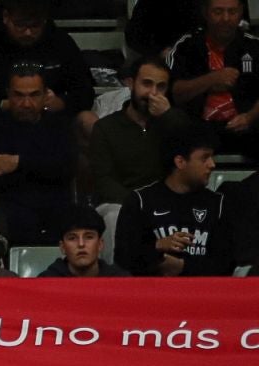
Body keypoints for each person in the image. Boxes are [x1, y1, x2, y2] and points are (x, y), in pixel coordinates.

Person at [0, 0, 95, 137]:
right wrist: (4, 104)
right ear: (6, 17)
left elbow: (85, 91)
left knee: (88, 120)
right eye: (20, 25)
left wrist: (61, 102)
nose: (28, 32)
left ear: (44, 20)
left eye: (35, 26)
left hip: (50, 120)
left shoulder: (61, 42)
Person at [116, 125, 241, 276]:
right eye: (204, 158)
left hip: (203, 294)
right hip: (153, 293)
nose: (212, 164)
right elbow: (123, 259)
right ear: (180, 162)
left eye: (212, 157)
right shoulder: (141, 201)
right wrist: (156, 247)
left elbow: (227, 263)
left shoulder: (218, 204)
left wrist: (183, 266)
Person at [0, 68, 77, 245]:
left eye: (34, 95)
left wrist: (18, 162)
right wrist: (42, 164)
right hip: (11, 206)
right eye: (19, 95)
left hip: (55, 205)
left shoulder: (61, 125)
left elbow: (65, 168)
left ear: (45, 95)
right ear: (8, 95)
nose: (26, 103)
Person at [90, 57, 180, 233]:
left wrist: (169, 117)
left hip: (168, 200)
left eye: (161, 87)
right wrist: (138, 203)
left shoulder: (174, 123)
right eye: (147, 84)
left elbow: (194, 149)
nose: (153, 93)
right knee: (114, 216)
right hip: (121, 202)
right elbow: (104, 181)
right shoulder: (105, 127)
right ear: (131, 83)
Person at [170, 0, 259, 159]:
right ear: (205, 13)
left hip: (248, 125)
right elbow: (174, 93)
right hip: (198, 127)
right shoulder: (187, 45)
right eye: (218, 12)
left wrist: (250, 116)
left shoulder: (254, 46)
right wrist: (211, 79)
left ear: (241, 13)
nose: (225, 18)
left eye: (232, 12)